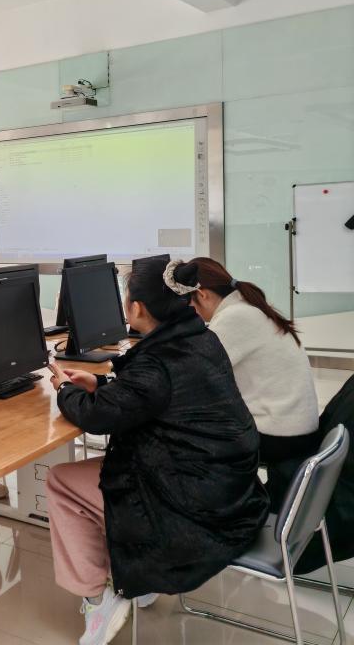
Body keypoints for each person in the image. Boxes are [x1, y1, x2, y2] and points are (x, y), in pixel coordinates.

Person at [44, 257, 267, 645]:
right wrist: (102, 384)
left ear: (136, 308)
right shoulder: (200, 338)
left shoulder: (158, 363)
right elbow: (151, 394)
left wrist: (65, 389)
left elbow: (96, 417)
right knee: (102, 478)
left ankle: (97, 599)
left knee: (61, 482)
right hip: (229, 489)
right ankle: (141, 577)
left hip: (193, 507)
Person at [175, 257, 319, 465]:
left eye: (188, 303)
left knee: (178, 434)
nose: (190, 310)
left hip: (279, 436)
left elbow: (192, 373)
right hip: (294, 431)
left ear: (202, 294)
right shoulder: (246, 308)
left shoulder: (235, 317)